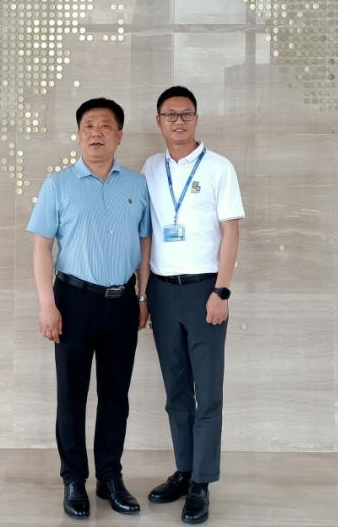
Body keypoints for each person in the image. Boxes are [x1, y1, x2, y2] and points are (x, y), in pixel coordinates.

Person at [28, 97, 152, 519]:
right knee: (72, 396)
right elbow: (42, 248)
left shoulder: (136, 185)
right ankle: (74, 479)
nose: (96, 132)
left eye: (105, 125)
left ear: (119, 135)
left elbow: (145, 244)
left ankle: (110, 478)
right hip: (73, 301)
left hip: (122, 303)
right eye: (88, 126)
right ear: (79, 135)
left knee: (116, 396)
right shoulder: (58, 185)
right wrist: (47, 305)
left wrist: (142, 297)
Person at [141, 86, 245, 524]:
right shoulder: (150, 168)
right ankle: (183, 471)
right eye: (170, 115)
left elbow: (231, 232)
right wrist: (143, 295)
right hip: (163, 292)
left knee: (208, 392)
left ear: (196, 119)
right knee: (177, 391)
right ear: (159, 122)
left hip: (205, 291)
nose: (178, 121)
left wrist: (222, 291)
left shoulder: (219, 168)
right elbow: (146, 235)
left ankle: (202, 482)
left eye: (186, 114)